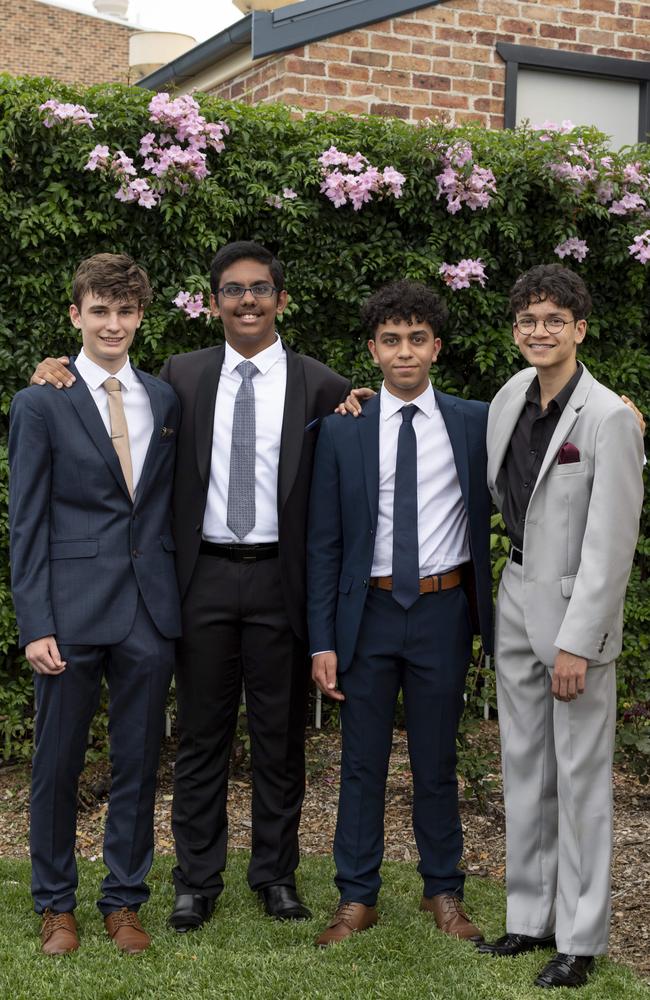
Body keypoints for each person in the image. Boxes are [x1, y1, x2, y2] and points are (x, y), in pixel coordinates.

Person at [31, 241, 350, 929]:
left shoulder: (323, 386)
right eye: (232, 290)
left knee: (280, 738)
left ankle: (276, 876)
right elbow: (96, 404)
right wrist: (54, 369)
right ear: (213, 303)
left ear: (280, 300)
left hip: (279, 581)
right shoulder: (180, 378)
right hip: (197, 578)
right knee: (200, 738)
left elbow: (363, 445)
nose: (246, 301)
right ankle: (195, 882)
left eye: (259, 289)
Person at [307, 280, 493, 947]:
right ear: (373, 349)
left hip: (443, 611)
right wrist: (321, 639)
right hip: (369, 615)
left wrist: (621, 408)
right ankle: (357, 896)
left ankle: (443, 891)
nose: (404, 352)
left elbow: (550, 416)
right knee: (360, 762)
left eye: (417, 339)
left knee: (437, 760)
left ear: (437, 348)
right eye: (391, 340)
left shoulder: (475, 421)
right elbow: (324, 543)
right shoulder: (341, 429)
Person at [476, 264, 644, 988]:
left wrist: (580, 638)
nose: (539, 332)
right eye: (528, 321)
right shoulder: (510, 395)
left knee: (577, 777)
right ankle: (527, 917)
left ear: (579, 329)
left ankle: (579, 939)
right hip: (513, 591)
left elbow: (612, 545)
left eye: (554, 321)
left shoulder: (608, 416)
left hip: (574, 614)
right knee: (523, 766)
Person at [9, 253, 181, 956]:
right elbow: (27, 519)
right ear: (77, 315)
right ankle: (55, 904)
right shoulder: (41, 400)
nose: (114, 324)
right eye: (100, 311)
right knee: (57, 762)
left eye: (126, 311)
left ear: (141, 317)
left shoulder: (163, 400)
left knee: (139, 761)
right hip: (70, 611)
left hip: (148, 608)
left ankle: (123, 900)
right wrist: (35, 623)